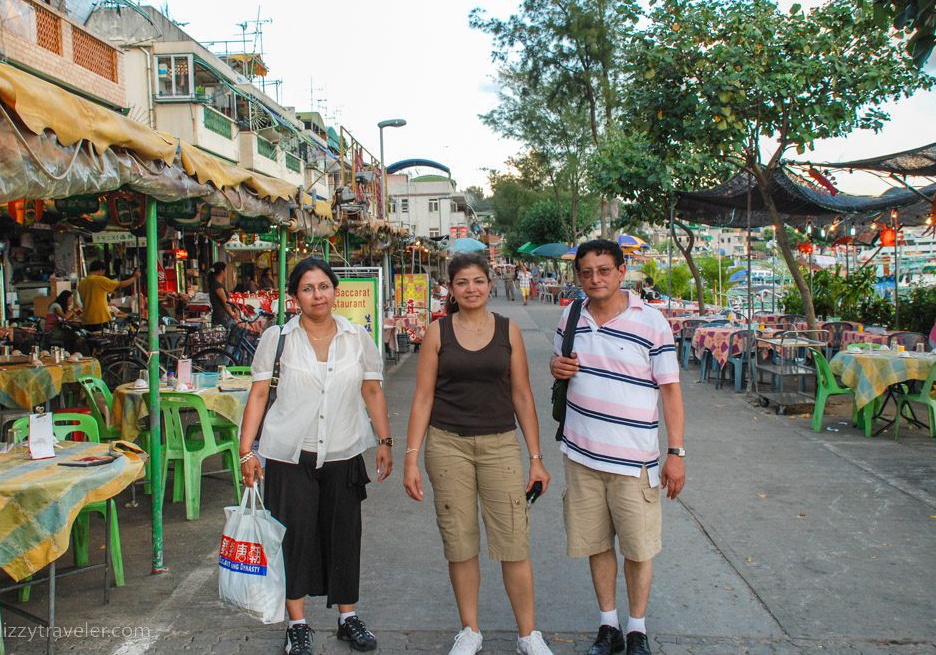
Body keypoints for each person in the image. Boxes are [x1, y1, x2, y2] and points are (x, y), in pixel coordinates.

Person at [239, 257, 394, 655]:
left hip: (343, 452)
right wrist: (246, 451)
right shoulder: (278, 338)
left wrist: (385, 441)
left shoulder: (356, 336)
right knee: (296, 538)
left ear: (335, 290)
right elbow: (258, 394)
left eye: (324, 286)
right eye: (307, 289)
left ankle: (348, 617)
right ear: (294, 297)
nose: (317, 295)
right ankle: (297, 624)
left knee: (345, 536)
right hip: (290, 456)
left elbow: (372, 390)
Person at [403, 253, 554, 655]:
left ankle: (528, 635)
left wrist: (536, 457)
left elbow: (522, 394)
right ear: (450, 289)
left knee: (513, 541)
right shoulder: (438, 333)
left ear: (490, 285)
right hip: (446, 444)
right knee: (459, 540)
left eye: (478, 281)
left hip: (500, 443)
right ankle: (469, 630)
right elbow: (422, 397)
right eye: (462, 283)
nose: (471, 289)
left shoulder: (509, 332)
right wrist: (410, 456)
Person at [549, 240, 685, 655]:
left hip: (634, 459)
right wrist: (556, 368)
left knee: (639, 547)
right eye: (587, 272)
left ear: (622, 271)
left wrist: (676, 454)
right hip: (582, 455)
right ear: (578, 276)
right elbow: (560, 370)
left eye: (604, 270)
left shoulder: (652, 321)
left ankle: (637, 628)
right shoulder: (570, 315)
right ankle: (608, 625)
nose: (596, 279)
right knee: (596, 543)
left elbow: (671, 392)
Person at [77, 260, 139, 332]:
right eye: (103, 272)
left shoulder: (82, 283)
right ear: (100, 270)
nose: (103, 274)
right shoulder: (99, 279)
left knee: (90, 341)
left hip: (86, 319)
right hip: (100, 318)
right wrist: (134, 277)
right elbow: (120, 285)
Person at [208, 262, 240, 327]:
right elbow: (225, 302)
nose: (226, 272)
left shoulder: (216, 284)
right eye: (226, 270)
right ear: (222, 271)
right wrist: (233, 315)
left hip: (219, 317)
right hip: (222, 318)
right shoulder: (217, 286)